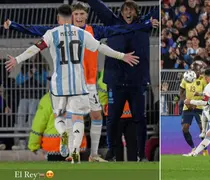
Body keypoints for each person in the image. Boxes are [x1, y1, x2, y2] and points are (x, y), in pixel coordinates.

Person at [3, 2, 155, 162]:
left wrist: (144, 25)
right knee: (75, 118)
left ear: (86, 15)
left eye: (82, 14)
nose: (79, 17)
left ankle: (93, 154)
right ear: (71, 17)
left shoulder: (92, 31)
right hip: (76, 83)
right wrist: (14, 25)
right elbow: (35, 30)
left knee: (95, 116)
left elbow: (119, 29)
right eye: (76, 14)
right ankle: (71, 151)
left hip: (88, 84)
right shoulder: (67, 33)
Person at [87, 0, 159, 161]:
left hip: (137, 82)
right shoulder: (113, 23)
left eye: (131, 10)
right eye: (125, 10)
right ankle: (111, 152)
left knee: (139, 119)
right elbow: (100, 8)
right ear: (121, 12)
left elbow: (160, 8)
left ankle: (142, 155)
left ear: (136, 12)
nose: (128, 13)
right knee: (112, 119)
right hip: (116, 82)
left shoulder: (144, 24)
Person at [28, 92, 87, 161]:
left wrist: (33, 145)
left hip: (54, 146)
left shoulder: (47, 99)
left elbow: (39, 124)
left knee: (57, 171)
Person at [97, 70, 137, 161]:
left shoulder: (108, 70)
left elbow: (101, 87)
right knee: (132, 144)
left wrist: (103, 102)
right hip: (131, 112)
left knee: (116, 144)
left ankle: (119, 166)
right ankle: (134, 169)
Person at [179, 63, 207, 155]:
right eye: (194, 69)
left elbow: (207, 93)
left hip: (199, 107)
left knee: (202, 129)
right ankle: (193, 148)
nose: (196, 71)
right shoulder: (186, 78)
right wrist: (186, 101)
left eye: (197, 69)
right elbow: (181, 92)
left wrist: (197, 102)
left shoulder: (203, 79)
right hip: (187, 107)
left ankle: (205, 150)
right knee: (185, 128)